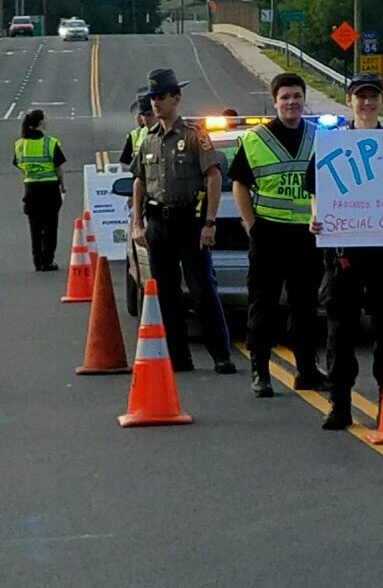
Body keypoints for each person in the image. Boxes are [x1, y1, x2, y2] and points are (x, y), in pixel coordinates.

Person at [130, 68, 236, 375]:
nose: (155, 103)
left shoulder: (193, 135)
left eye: (161, 96)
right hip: (157, 223)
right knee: (166, 293)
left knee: (202, 290)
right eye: (152, 97)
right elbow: (139, 181)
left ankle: (221, 355)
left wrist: (210, 222)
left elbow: (213, 177)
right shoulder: (148, 139)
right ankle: (178, 357)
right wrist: (137, 223)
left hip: (188, 222)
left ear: (176, 98)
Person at [309, 73, 383, 430]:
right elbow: (316, 190)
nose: (367, 102)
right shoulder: (332, 144)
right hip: (343, 255)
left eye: (373, 96)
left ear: (382, 101)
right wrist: (316, 217)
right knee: (339, 333)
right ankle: (340, 404)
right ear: (349, 101)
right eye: (361, 96)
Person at [229, 72, 326, 398]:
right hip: (268, 234)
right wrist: (252, 225)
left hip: (307, 236)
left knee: (305, 308)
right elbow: (240, 184)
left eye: (297, 96)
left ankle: (307, 371)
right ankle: (261, 372)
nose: (291, 102)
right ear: (274, 102)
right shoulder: (255, 140)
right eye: (285, 97)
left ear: (304, 100)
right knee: (263, 307)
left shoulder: (321, 137)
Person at [13, 109, 66, 272]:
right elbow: (58, 168)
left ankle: (37, 260)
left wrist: (31, 174)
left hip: (31, 188)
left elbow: (19, 165)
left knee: (35, 227)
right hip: (50, 188)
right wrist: (62, 185)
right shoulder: (50, 143)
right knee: (50, 226)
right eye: (45, 118)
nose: (47, 120)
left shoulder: (20, 144)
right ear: (40, 123)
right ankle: (47, 261)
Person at [119, 88, 157, 167]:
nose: (145, 119)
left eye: (149, 115)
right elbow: (126, 163)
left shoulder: (170, 133)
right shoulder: (135, 135)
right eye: (143, 115)